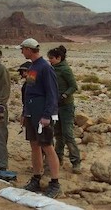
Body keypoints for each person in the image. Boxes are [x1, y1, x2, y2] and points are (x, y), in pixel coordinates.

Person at [18, 38, 62, 198]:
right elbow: (28, 91)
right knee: (34, 145)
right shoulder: (33, 67)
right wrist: (25, 112)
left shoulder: (45, 68)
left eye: (23, 49)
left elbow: (52, 93)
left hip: (42, 114)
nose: (21, 52)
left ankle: (55, 183)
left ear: (30, 50)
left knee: (47, 146)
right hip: (31, 113)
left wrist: (46, 115)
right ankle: (36, 178)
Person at [47, 45, 82, 174]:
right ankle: (58, 158)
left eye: (51, 58)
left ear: (58, 58)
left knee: (68, 134)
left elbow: (74, 86)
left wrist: (64, 95)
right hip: (56, 107)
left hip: (66, 107)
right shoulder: (53, 69)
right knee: (58, 134)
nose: (49, 60)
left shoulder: (65, 70)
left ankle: (76, 161)